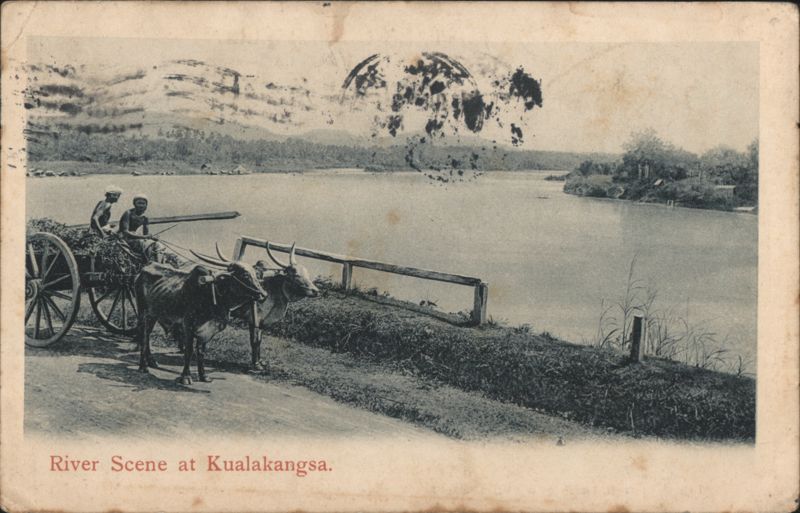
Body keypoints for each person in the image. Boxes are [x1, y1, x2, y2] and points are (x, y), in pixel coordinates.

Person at [118, 193, 159, 261]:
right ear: (134, 204)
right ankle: (147, 261)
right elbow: (125, 232)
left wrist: (152, 237)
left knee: (157, 245)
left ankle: (158, 263)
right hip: (125, 238)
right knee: (145, 244)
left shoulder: (145, 217)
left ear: (146, 205)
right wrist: (144, 237)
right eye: (139, 203)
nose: (141, 206)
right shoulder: (128, 213)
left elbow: (146, 234)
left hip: (136, 237)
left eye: (143, 203)